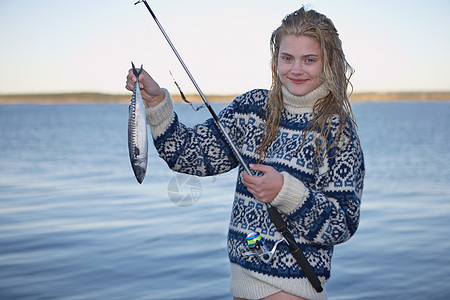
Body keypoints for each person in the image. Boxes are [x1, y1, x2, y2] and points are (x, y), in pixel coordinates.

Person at [125, 6, 364, 300]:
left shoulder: (338, 131)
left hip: (294, 291)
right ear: (276, 59)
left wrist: (285, 192)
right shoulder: (251, 108)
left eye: (309, 60)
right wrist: (156, 103)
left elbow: (342, 224)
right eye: (287, 58)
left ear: (330, 63)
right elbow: (189, 154)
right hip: (240, 284)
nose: (296, 69)